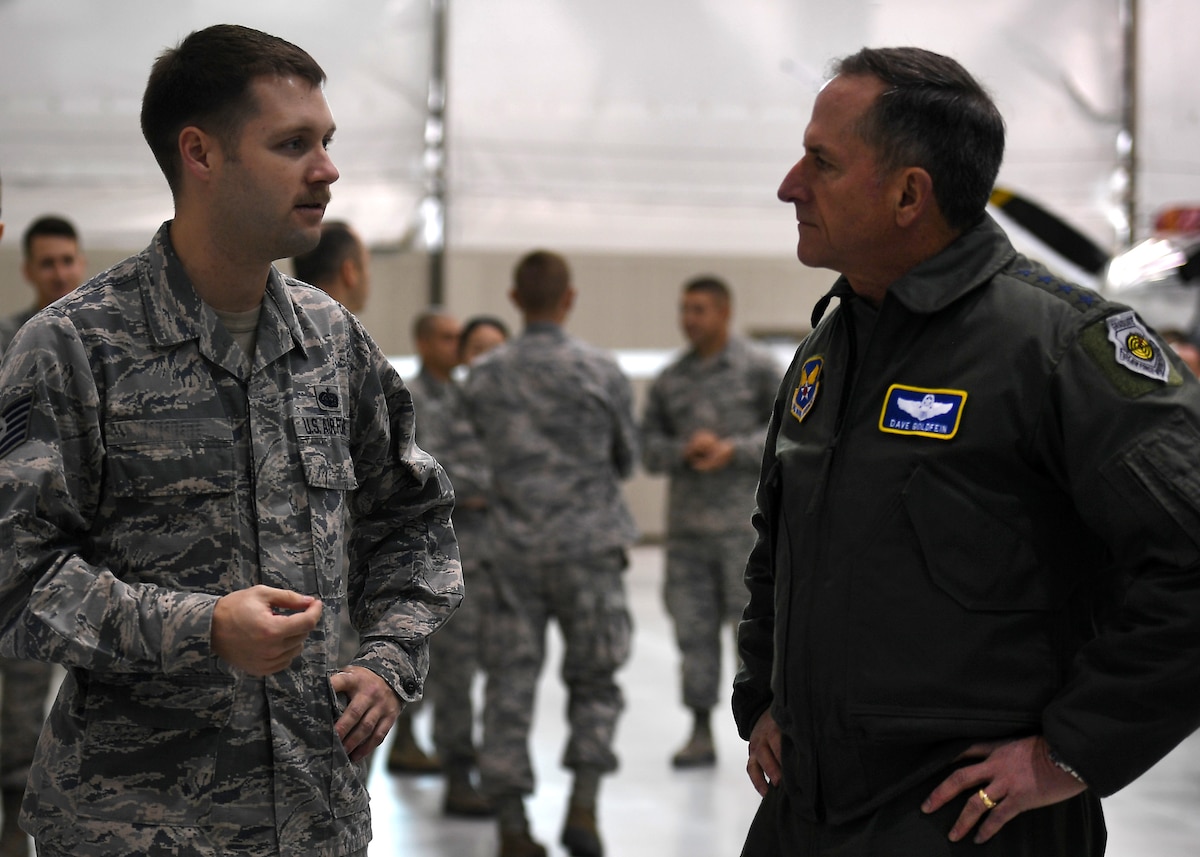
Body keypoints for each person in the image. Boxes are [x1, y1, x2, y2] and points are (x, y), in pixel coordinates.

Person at [0, 24, 462, 857]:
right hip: (138, 824)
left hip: (313, 816)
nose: (326, 168)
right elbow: (16, 578)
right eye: (292, 144)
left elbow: (414, 522)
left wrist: (389, 661)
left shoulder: (332, 342)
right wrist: (201, 625)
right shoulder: (75, 347)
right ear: (200, 154)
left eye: (326, 141)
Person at [734, 45, 1200, 856]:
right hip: (805, 808)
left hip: (971, 820)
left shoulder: (1060, 349)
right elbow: (778, 545)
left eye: (822, 161)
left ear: (910, 192)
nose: (789, 185)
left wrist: (1072, 750)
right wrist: (765, 698)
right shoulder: (829, 344)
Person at [464, 251, 637, 857]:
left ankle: (512, 826)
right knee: (595, 681)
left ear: (514, 298)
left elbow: (462, 464)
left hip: (512, 553)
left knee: (509, 684)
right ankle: (584, 809)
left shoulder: (482, 378)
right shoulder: (602, 371)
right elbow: (627, 459)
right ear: (569, 298)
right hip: (590, 550)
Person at [640, 275, 781, 768]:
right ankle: (699, 730)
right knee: (693, 634)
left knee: (754, 635)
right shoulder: (670, 379)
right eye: (684, 309)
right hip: (688, 534)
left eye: (699, 309)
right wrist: (684, 450)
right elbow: (647, 449)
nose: (689, 319)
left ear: (724, 311)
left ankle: (768, 724)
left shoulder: (759, 369)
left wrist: (733, 450)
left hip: (747, 533)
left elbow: (789, 434)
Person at [0, 213, 88, 857]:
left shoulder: (99, 338)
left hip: (90, 556)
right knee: (19, 702)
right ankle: (13, 824)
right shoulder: (9, 342)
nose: (59, 273)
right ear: (28, 270)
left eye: (68, 260)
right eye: (47, 263)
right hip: (20, 556)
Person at [388, 309, 495, 815]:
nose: (458, 346)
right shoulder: (410, 399)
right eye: (449, 338)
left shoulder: (466, 396)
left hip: (468, 552)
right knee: (446, 665)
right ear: (425, 342)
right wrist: (478, 486)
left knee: (453, 665)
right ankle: (456, 775)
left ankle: (433, 756)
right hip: (426, 554)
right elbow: (432, 474)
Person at [291, 219, 370, 315]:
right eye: (365, 265)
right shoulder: (340, 328)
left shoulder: (282, 323)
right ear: (349, 272)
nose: (368, 275)